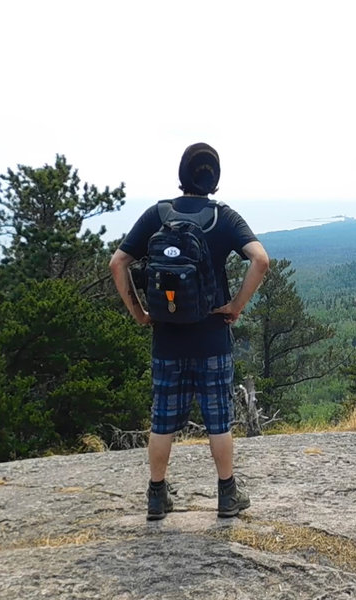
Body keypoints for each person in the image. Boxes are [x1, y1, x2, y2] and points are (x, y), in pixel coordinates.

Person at [109, 143, 269, 520]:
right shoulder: (223, 218)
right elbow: (260, 260)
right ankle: (227, 495)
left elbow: (118, 263)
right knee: (218, 420)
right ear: (214, 179)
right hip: (212, 336)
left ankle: (156, 496)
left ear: (182, 175)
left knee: (162, 419)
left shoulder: (158, 215)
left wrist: (140, 312)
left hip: (166, 338)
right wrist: (235, 307)